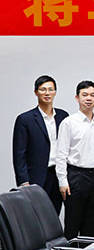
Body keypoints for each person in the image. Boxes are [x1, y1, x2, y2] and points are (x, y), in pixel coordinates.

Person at [56, 80, 94, 239]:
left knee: (92, 225)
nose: (88, 98)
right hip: (76, 177)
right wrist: (62, 181)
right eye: (84, 95)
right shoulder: (68, 123)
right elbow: (61, 154)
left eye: (92, 95)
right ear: (77, 98)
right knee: (73, 224)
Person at [12, 75, 69, 215]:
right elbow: (19, 154)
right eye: (43, 89)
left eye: (50, 89)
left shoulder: (63, 116)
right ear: (36, 92)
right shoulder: (25, 119)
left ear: (55, 92)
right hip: (36, 177)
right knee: (36, 217)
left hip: (59, 175)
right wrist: (24, 182)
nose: (47, 93)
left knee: (54, 215)